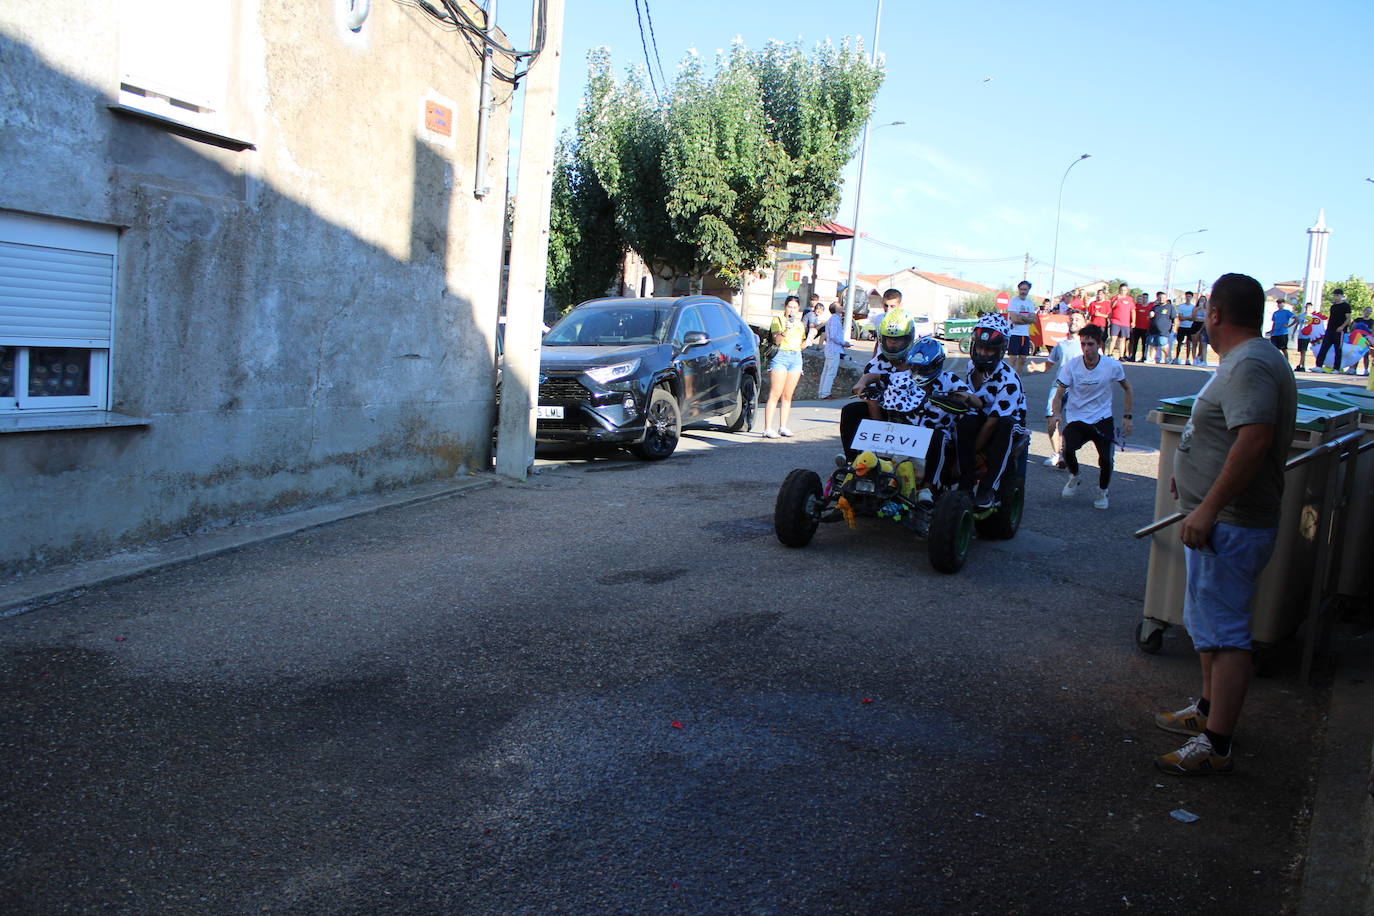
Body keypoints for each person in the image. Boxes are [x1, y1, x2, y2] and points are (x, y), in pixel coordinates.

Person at [1154, 272, 1297, 776]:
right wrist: (1188, 480)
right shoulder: (1247, 359)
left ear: (1214, 312)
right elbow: (1222, 434)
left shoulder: (1251, 363)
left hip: (1230, 524)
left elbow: (1253, 440)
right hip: (1214, 517)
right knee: (1210, 627)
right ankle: (1208, 712)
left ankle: (1217, 745)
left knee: (1228, 633)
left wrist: (1209, 505)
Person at [1050, 323, 1133, 509]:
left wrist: (1127, 416)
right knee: (1067, 450)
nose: (1086, 348)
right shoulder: (1071, 366)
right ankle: (1076, 476)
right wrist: (1056, 414)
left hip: (1102, 419)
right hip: (1077, 418)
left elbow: (1127, 388)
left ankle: (1102, 491)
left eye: (1091, 344)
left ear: (1100, 345)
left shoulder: (1112, 366)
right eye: (1083, 344)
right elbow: (1059, 393)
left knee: (1106, 460)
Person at [958, 314, 1027, 510]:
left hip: (1008, 421)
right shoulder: (971, 366)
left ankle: (988, 488)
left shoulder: (1009, 381)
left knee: (1005, 427)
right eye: (980, 346)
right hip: (983, 414)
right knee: (963, 422)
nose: (983, 352)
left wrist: (974, 452)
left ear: (1000, 350)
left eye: (989, 349)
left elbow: (992, 423)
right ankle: (964, 485)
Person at [762, 295, 818, 438]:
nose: (792, 309)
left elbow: (801, 343)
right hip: (781, 356)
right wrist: (786, 329)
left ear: (798, 309)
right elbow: (777, 339)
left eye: (795, 307)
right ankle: (768, 428)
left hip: (796, 357)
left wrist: (808, 341)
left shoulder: (800, 324)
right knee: (775, 393)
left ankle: (783, 426)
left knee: (788, 395)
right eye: (789, 306)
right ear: (785, 307)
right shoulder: (778, 320)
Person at [1042, 311, 1085, 468]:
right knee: (1051, 418)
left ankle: (1067, 452)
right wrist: (1035, 367)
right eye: (1071, 319)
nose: (1073, 321)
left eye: (1077, 319)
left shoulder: (1088, 345)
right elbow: (1048, 364)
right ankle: (1057, 454)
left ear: (1083, 324)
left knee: (1073, 423)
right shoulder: (1060, 345)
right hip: (1058, 386)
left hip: (1078, 389)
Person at [817, 301, 853, 399]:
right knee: (830, 372)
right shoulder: (834, 320)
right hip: (833, 349)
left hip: (831, 348)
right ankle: (825, 393)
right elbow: (833, 336)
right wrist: (843, 343)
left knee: (827, 371)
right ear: (835, 309)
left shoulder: (834, 319)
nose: (841, 307)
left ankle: (822, 392)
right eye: (839, 306)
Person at [1315, 288, 1352, 373]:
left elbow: (1348, 318)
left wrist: (1342, 327)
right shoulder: (1333, 306)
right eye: (1335, 295)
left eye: (1337, 295)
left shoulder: (1346, 306)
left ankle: (1336, 368)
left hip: (1339, 331)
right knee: (1324, 347)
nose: (1336, 297)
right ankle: (1319, 366)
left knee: (1338, 349)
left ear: (1342, 296)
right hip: (1330, 330)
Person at [1005, 280, 1036, 374]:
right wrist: (1026, 319)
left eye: (1025, 289)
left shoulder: (1029, 303)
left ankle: (1016, 378)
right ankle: (1009, 379)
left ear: (1028, 290)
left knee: (1023, 359)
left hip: (1025, 334)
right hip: (1014, 333)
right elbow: (1014, 319)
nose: (1023, 291)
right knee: (1012, 359)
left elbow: (1033, 319)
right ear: (1018, 289)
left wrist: (1021, 318)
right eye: (1021, 289)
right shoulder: (1014, 301)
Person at [1107, 284, 1134, 359]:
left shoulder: (1130, 299)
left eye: (1125, 290)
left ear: (1127, 291)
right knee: (1113, 338)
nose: (1123, 291)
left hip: (1125, 322)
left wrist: (1133, 321)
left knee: (1123, 339)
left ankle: (1121, 356)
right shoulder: (1115, 297)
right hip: (1115, 321)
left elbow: (1132, 310)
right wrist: (1117, 299)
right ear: (1119, 290)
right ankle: (1109, 354)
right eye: (1122, 290)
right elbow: (1112, 306)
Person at [1267, 296, 1295, 367]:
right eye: (1278, 303)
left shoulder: (1287, 312)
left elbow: (1296, 319)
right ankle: (1275, 363)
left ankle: (1287, 363)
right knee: (1275, 350)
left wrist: (1289, 326)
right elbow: (1274, 322)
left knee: (1284, 349)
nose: (1279, 305)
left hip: (1283, 333)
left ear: (1283, 304)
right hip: (1275, 333)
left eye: (1281, 303)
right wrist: (1272, 332)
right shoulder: (1275, 313)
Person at [1148, 291, 1175, 364]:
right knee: (1153, 344)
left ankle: (1168, 357)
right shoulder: (1155, 307)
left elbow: (1174, 318)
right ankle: (1151, 358)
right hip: (1153, 329)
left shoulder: (1170, 307)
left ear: (1166, 298)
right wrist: (1150, 315)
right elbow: (1150, 317)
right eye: (1160, 298)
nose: (1161, 299)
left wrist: (1174, 328)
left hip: (1164, 330)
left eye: (1163, 298)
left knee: (1163, 343)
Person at [1174, 291, 1200, 364]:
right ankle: (1177, 357)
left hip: (1190, 326)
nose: (1188, 298)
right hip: (1182, 326)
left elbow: (1193, 318)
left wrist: (1186, 317)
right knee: (1179, 342)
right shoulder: (1181, 306)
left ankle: (1187, 359)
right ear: (1185, 297)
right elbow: (1180, 317)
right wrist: (1187, 317)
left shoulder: (1193, 307)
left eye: (1189, 296)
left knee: (1189, 343)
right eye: (1187, 296)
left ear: (1192, 297)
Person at [1295, 305, 1323, 372]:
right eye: (1307, 307)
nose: (1308, 309)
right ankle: (1302, 364)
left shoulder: (1312, 317)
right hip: (1301, 335)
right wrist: (1293, 333)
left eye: (1309, 308)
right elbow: (1297, 324)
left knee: (1304, 350)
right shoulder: (1301, 315)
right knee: (1301, 351)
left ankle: (1301, 365)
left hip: (1307, 336)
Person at [1129, 292, 1152, 363]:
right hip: (1137, 328)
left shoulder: (1150, 307)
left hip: (1145, 328)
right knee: (1135, 343)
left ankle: (1143, 357)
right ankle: (1133, 356)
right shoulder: (1137, 306)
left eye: (1146, 298)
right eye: (1143, 297)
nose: (1144, 299)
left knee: (1144, 344)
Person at [1194, 294, 1212, 366]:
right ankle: (1203, 360)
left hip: (1209, 329)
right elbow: (1193, 317)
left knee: (1211, 345)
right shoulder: (1197, 309)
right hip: (1203, 329)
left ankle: (1203, 360)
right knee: (1203, 345)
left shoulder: (1209, 311)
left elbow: (1206, 321)